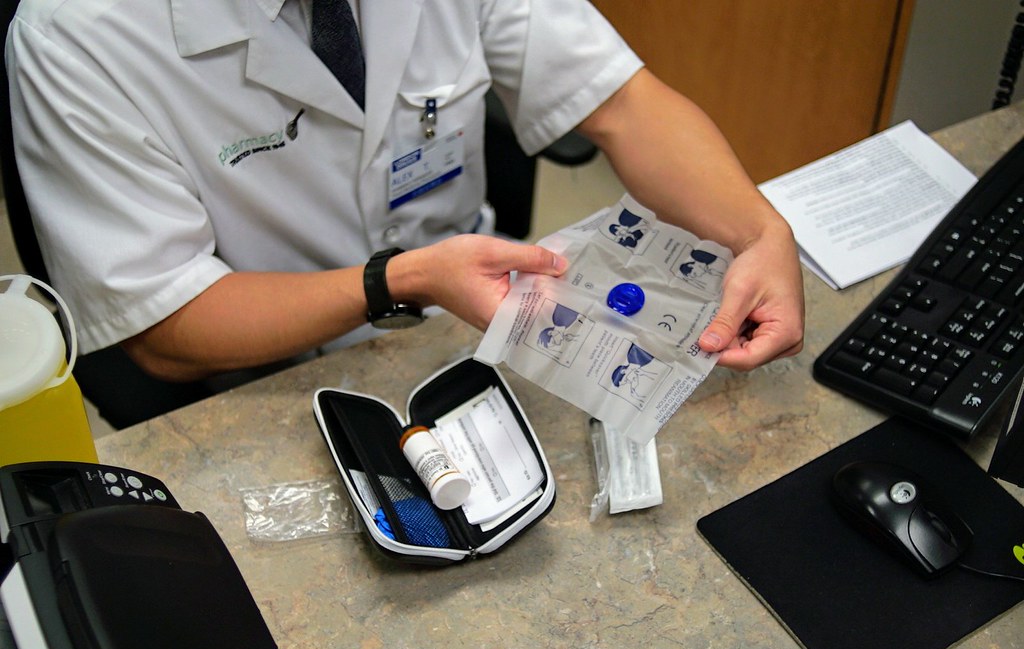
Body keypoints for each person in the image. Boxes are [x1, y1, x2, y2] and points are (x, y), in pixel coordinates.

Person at [6, 0, 804, 387]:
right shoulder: (78, 35)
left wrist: (758, 231)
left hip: (466, 324)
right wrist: (400, 280)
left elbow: (625, 104)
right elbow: (165, 324)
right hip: (261, 371)